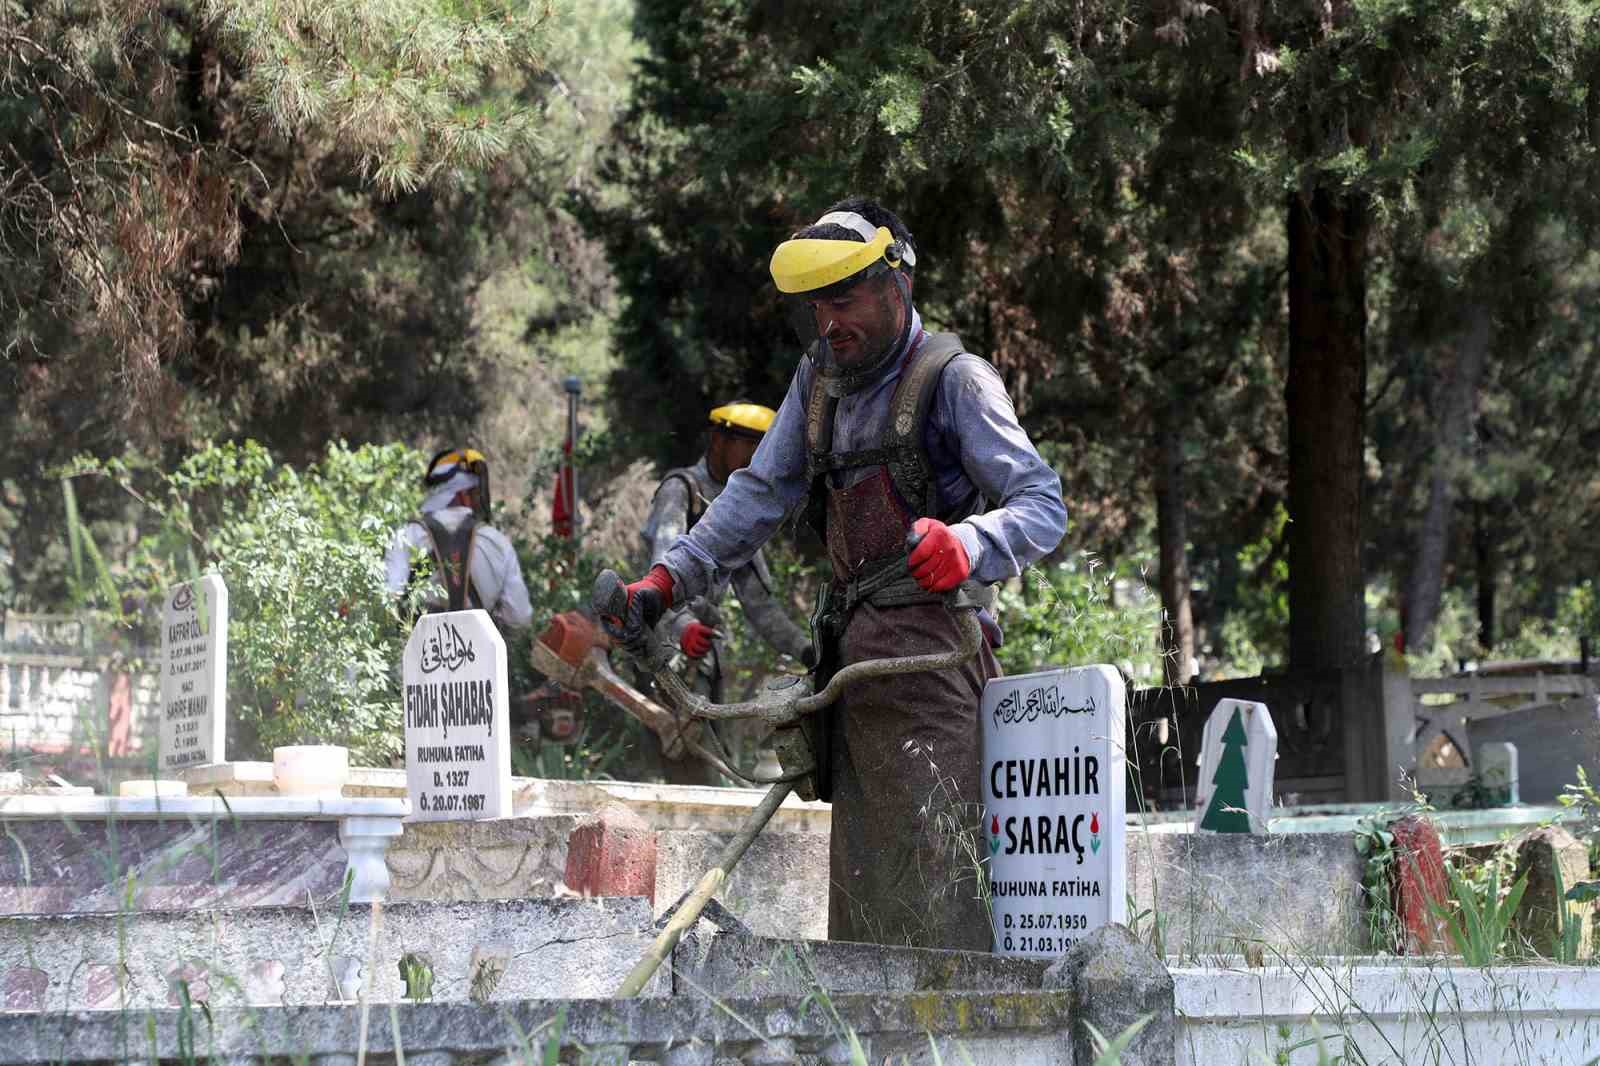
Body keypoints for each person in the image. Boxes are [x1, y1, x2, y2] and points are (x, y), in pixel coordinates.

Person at [597, 198, 1067, 950]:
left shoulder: (954, 380)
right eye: (817, 307)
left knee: (940, 895)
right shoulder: (819, 381)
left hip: (934, 665)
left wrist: (971, 544)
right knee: (863, 909)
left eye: (842, 299)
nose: (828, 323)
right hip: (850, 675)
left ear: (897, 286)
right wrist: (666, 581)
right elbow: (756, 493)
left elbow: (1042, 503)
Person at [637, 401, 814, 784]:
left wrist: (806, 649)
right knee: (681, 767)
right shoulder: (680, 491)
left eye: (762, 447)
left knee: (715, 765)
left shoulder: (737, 507)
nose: (756, 457)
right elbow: (659, 573)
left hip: (703, 657)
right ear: (719, 439)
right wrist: (682, 626)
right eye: (749, 445)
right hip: (662, 652)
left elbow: (759, 603)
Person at [385, 448, 534, 628]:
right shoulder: (498, 542)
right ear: (463, 494)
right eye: (473, 493)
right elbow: (519, 617)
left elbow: (388, 601)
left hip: (419, 653)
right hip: (479, 653)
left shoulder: (407, 536)